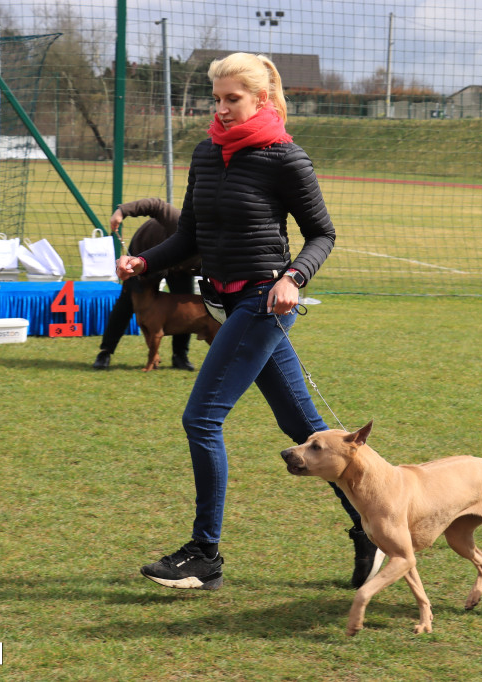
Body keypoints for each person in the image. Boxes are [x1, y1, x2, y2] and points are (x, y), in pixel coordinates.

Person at [116, 52, 383, 591]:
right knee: (307, 432)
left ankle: (205, 555)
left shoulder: (286, 157)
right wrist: (145, 262)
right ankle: (375, 528)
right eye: (216, 99)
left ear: (261, 99)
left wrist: (294, 279)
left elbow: (323, 234)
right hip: (222, 300)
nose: (221, 109)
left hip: (265, 300)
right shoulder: (206, 154)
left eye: (232, 99)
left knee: (201, 418)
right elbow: (188, 235)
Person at [93, 197, 199, 371]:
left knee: (183, 306)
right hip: (146, 251)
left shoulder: (218, 248)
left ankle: (180, 355)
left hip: (178, 267)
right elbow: (155, 205)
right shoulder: (178, 220)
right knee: (128, 302)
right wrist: (122, 212)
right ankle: (105, 351)